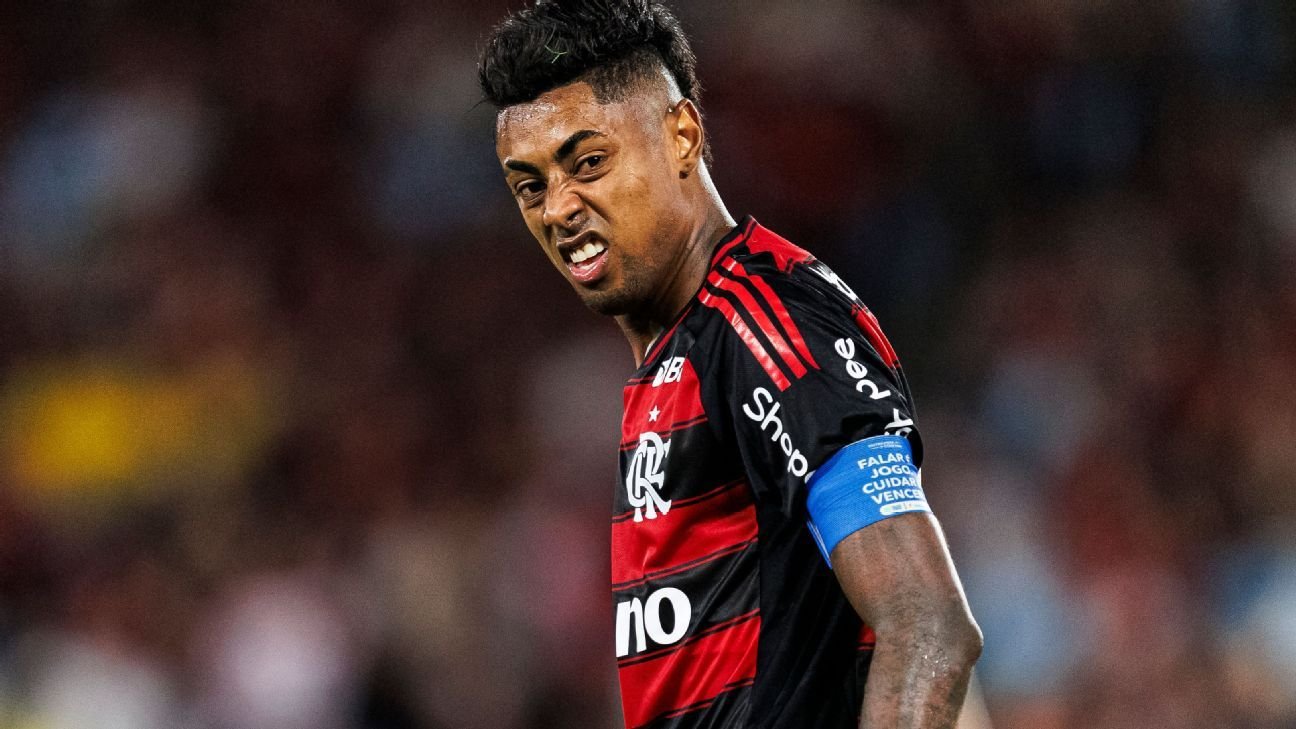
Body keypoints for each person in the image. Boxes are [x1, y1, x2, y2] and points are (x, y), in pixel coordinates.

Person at [478, 1, 982, 727]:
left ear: (682, 135)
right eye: (531, 186)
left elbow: (927, 624)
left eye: (588, 163)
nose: (558, 208)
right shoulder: (686, 349)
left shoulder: (763, 324)